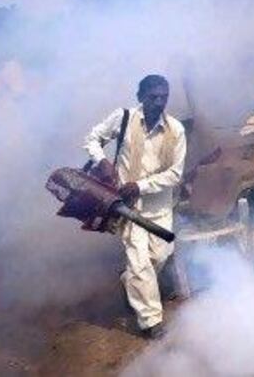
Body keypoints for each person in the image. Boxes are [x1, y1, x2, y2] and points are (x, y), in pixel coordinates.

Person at [84, 75, 186, 339]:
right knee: (140, 262)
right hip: (127, 207)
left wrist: (141, 185)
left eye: (164, 96)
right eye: (153, 96)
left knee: (159, 257)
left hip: (160, 206)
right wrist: (102, 162)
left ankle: (129, 281)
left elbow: (175, 174)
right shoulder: (124, 117)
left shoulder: (176, 130)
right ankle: (152, 322)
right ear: (140, 96)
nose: (159, 102)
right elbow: (93, 138)